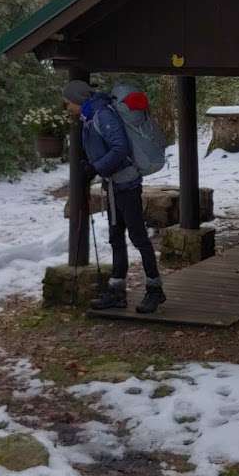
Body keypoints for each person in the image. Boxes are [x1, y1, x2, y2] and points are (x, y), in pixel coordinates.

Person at [63, 79, 166, 315]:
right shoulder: (91, 116)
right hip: (113, 184)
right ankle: (117, 291)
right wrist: (93, 166)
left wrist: (95, 168)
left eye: (68, 103)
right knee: (116, 236)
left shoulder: (102, 115)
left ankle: (155, 290)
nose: (67, 107)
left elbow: (120, 149)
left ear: (78, 100)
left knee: (138, 237)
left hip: (126, 184)